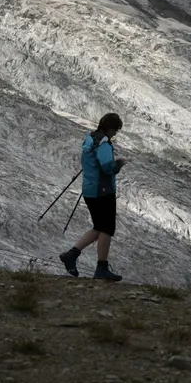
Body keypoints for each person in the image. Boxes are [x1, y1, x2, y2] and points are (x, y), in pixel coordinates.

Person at [59, 113, 128, 281]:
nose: (115, 134)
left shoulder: (89, 139)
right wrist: (118, 164)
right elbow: (106, 168)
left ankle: (72, 254)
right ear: (110, 129)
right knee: (106, 229)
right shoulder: (103, 144)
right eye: (115, 130)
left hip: (90, 190)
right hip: (103, 191)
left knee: (98, 227)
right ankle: (101, 268)